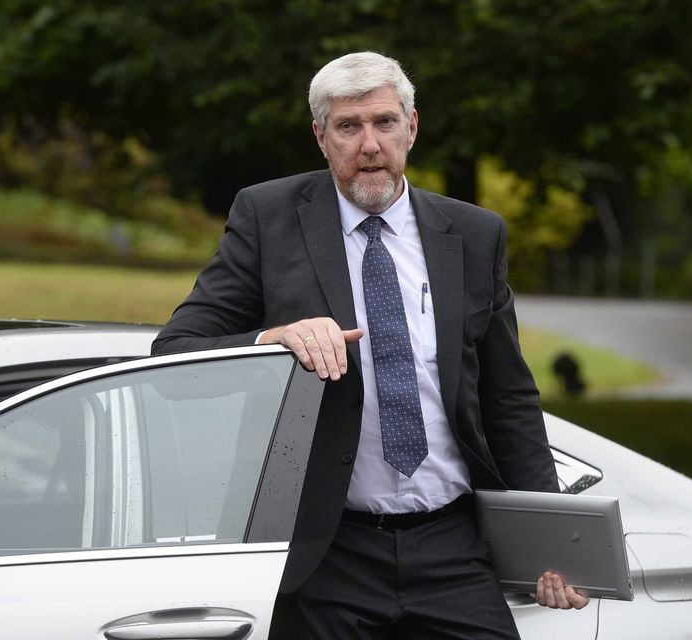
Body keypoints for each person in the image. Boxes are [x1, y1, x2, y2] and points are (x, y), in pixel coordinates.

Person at [152, 51, 588, 639]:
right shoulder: (267, 218)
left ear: (411, 126)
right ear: (320, 137)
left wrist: (550, 538)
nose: (369, 145)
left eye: (384, 123)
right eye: (348, 127)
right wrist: (273, 340)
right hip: (326, 551)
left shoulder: (475, 234)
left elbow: (509, 398)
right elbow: (175, 355)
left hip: (453, 546)